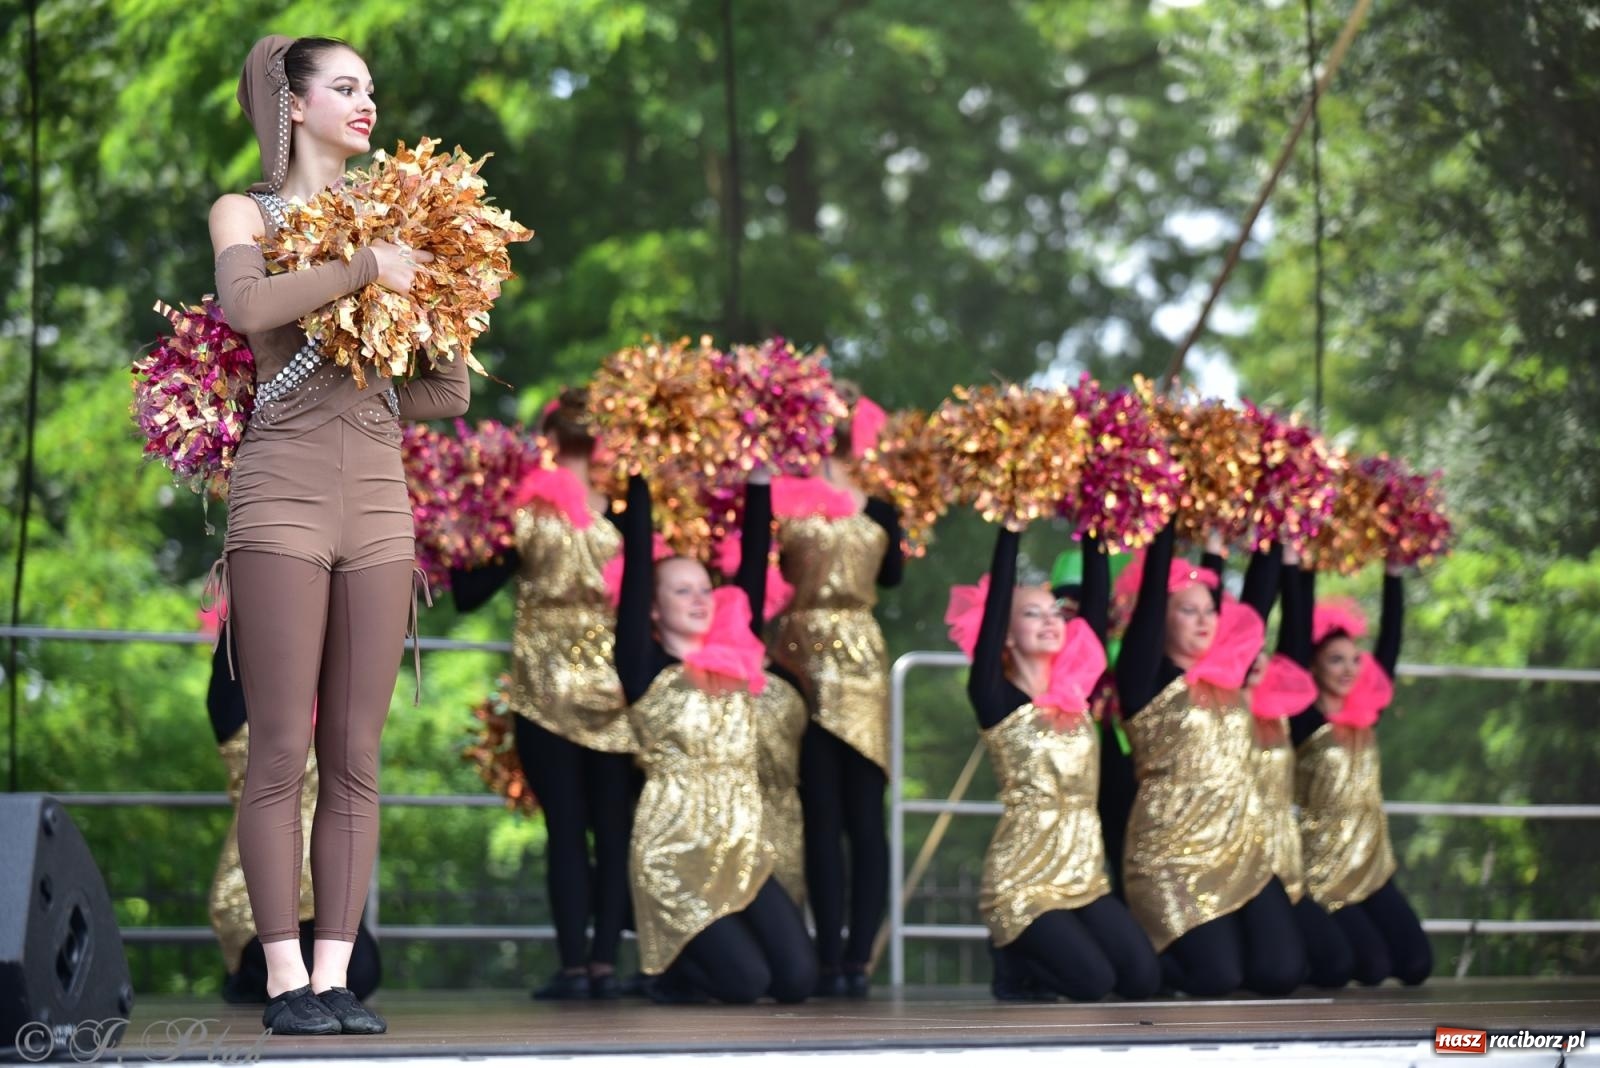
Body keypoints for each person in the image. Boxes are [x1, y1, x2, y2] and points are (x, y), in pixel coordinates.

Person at [209, 34, 470, 1035]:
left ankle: (333, 978)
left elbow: (440, 392)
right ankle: (281, 981)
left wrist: (444, 301)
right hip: (279, 490)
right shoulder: (248, 211)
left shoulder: (397, 223)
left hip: (379, 499)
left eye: (371, 90)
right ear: (293, 101)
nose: (367, 105)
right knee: (281, 748)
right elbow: (244, 305)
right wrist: (365, 268)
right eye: (346, 88)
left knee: (358, 753)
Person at [449, 390, 636, 999]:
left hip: (550, 685)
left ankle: (578, 966)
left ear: (546, 438)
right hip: (604, 684)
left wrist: (456, 528)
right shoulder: (628, 511)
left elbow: (469, 591)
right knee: (610, 830)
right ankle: (601, 964)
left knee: (570, 828)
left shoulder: (523, 511)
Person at [616, 470, 818, 1004]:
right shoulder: (642, 663)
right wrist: (640, 470)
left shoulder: (735, 653)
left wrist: (758, 477)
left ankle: (695, 963)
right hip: (675, 850)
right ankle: (671, 976)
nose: (700, 599)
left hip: (742, 847)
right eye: (682, 591)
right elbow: (638, 559)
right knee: (747, 984)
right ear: (654, 609)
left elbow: (753, 562)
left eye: (706, 588)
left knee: (797, 982)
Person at [953, 528, 1161, 1002]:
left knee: (1143, 980)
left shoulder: (1078, 689)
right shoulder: (995, 696)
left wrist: (1097, 524)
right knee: (1093, 984)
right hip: (1023, 881)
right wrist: (1011, 526)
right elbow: (998, 602)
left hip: (1084, 877)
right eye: (1032, 613)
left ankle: (1033, 955)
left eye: (1054, 613)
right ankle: (1013, 962)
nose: (1051, 620)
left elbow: (1094, 601)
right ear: (1005, 634)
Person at [1105, 524, 1306, 996]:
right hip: (1172, 855)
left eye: (1209, 611)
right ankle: (1137, 961)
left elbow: (1259, 598)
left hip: (1240, 847)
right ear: (1160, 620)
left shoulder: (1228, 674)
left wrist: (1275, 518)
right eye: (1186, 611)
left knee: (1281, 974)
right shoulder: (1145, 677)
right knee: (1217, 978)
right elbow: (1155, 592)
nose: (1203, 620)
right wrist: (1165, 515)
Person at [769, 384, 904, 997]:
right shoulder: (785, 496)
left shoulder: (881, 504)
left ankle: (856, 958)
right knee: (819, 811)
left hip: (862, 659)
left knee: (863, 815)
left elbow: (895, 574)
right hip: (797, 654)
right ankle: (826, 954)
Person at [204, 623, 381, 1004]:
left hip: (316, 901)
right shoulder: (240, 719)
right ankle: (251, 975)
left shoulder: (341, 723)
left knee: (363, 971)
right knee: (292, 974)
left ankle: (260, 979)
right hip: (250, 899)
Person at [1285, 560, 1433, 986]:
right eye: (1335, 660)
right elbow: (1293, 634)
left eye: (1354, 659)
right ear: (1313, 666)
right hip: (1323, 872)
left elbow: (1391, 642)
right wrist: (1303, 565)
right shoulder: (1304, 720)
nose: (1349, 669)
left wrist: (1393, 573)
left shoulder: (1367, 713)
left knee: (1416, 966)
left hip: (1370, 865)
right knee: (1371, 968)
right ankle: (1307, 941)